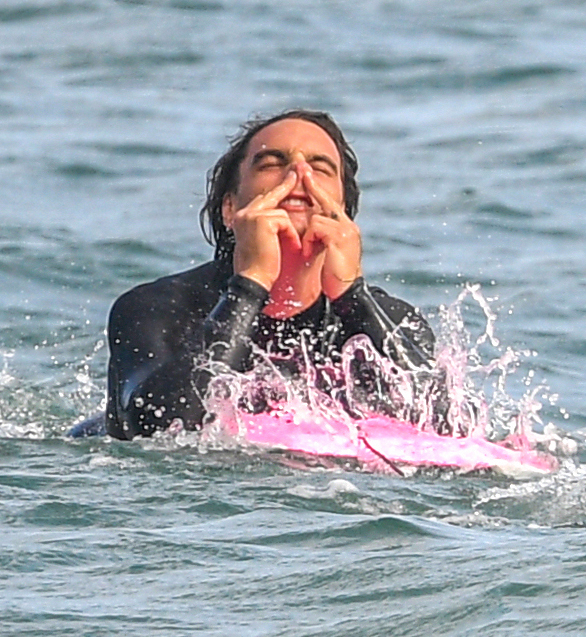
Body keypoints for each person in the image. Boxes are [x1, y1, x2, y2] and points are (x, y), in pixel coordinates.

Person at [101, 109, 438, 440]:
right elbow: (158, 429)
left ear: (343, 212)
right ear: (230, 208)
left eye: (320, 168)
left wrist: (352, 295)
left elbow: (449, 428)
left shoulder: (394, 321)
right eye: (272, 164)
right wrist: (251, 283)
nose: (298, 174)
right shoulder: (157, 307)